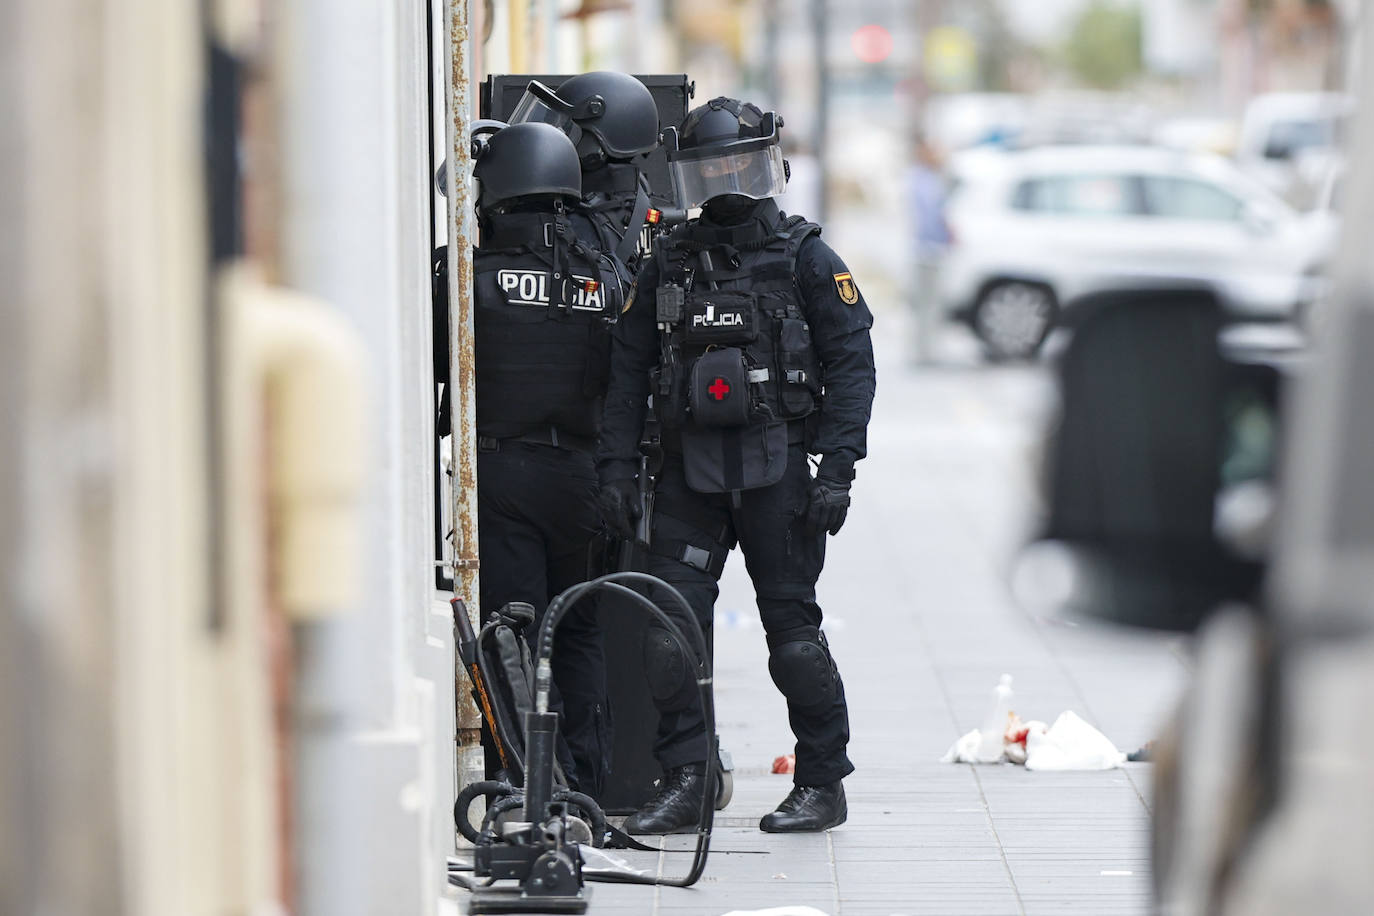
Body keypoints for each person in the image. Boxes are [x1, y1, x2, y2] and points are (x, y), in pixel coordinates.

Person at [596, 97, 877, 834]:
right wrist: (617, 472)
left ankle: (821, 780)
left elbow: (853, 363)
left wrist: (840, 467)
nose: (724, 179)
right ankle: (688, 777)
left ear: (764, 164)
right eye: (708, 167)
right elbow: (628, 375)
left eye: (736, 163)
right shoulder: (667, 264)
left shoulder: (806, 256)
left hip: (777, 471)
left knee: (791, 636)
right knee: (669, 631)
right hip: (688, 473)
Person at [433, 121, 635, 798]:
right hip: (580, 479)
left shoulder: (465, 277)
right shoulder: (602, 277)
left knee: (513, 635)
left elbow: (434, 369)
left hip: (502, 474)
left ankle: (530, 788)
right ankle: (590, 786)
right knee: (576, 633)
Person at [507, 70, 664, 272]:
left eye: (568, 129)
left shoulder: (580, 220)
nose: (559, 136)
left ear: (598, 145)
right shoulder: (636, 196)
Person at [906, 134, 951, 366]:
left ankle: (926, 349)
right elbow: (931, 217)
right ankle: (924, 351)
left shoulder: (925, 178)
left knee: (929, 303)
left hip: (929, 248)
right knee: (927, 303)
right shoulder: (923, 180)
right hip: (927, 249)